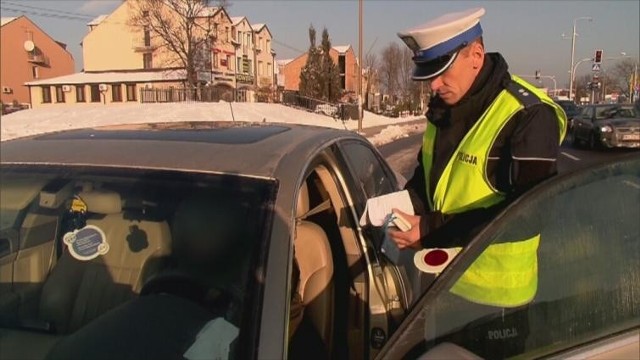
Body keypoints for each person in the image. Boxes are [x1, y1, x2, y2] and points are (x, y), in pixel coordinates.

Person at [388, 8, 567, 307]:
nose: (434, 84)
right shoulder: (442, 110)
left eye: (443, 70)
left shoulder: (528, 114)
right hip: (440, 283)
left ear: (477, 55)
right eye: (430, 74)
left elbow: (533, 212)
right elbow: (428, 178)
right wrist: (403, 212)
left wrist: (430, 230)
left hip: (498, 301)